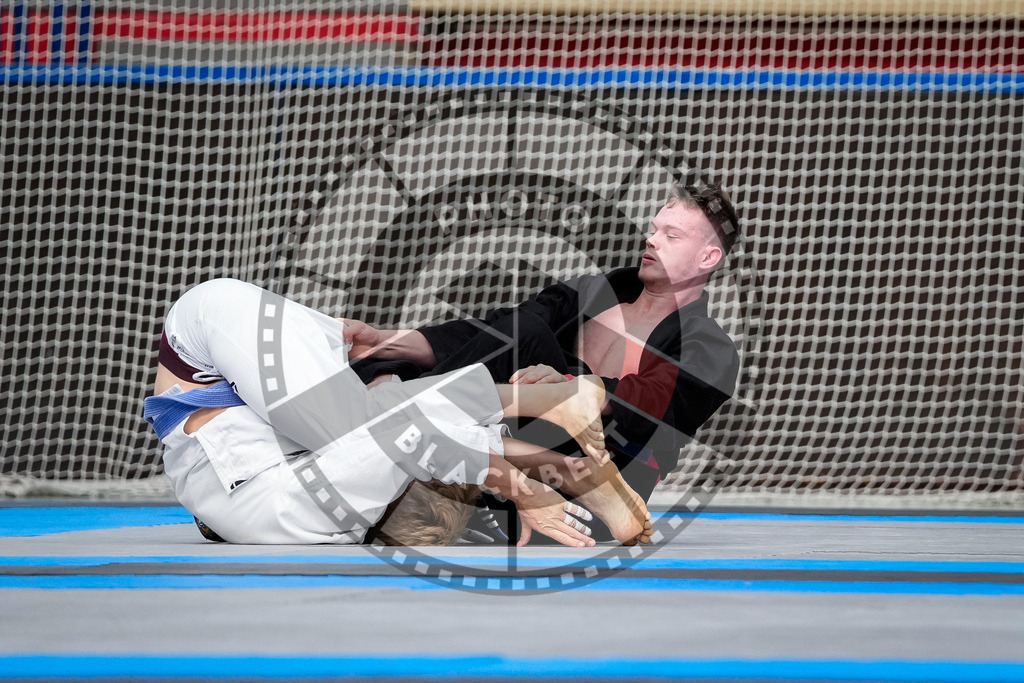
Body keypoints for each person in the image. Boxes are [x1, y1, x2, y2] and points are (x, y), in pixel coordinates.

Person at [345, 181, 741, 538]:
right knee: (398, 361)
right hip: (520, 460)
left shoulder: (710, 349)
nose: (652, 241)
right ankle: (392, 411)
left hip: (602, 487)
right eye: (654, 229)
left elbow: (652, 408)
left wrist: (566, 388)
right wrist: (387, 342)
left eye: (671, 235)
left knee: (527, 336)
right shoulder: (593, 292)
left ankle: (387, 423)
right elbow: (492, 336)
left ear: (707, 258)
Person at [145, 278, 652, 547]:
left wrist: (531, 488)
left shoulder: (332, 506)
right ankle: (551, 403)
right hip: (232, 356)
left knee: (372, 426)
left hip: (219, 344)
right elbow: (418, 439)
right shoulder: (330, 511)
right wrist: (552, 475)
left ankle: (551, 403)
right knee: (367, 423)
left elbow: (413, 439)